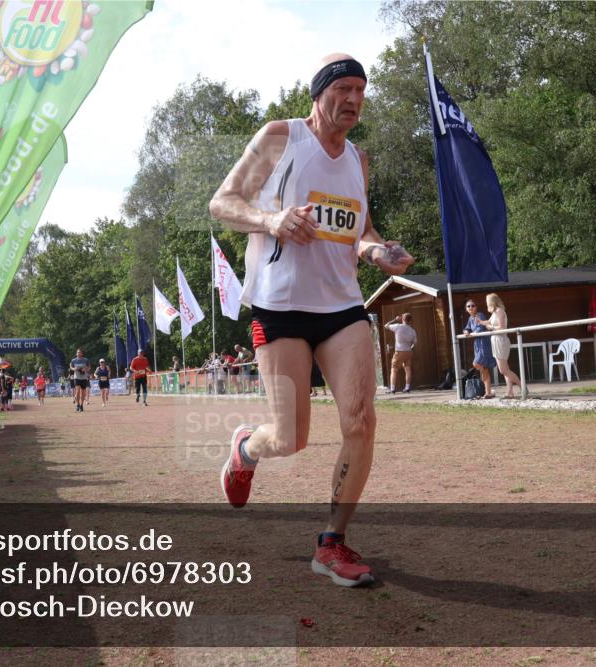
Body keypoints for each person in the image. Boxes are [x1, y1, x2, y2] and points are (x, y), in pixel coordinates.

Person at [209, 53, 414, 587]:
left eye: (361, 91)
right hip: (280, 308)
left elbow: (361, 231)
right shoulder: (281, 138)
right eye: (343, 88)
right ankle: (246, 448)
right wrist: (271, 219)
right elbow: (222, 202)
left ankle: (333, 541)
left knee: (361, 420)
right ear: (319, 93)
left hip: (342, 307)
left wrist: (377, 253)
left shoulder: (358, 160)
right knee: (290, 438)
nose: (353, 100)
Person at [479, 293, 521, 398]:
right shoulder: (495, 313)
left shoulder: (500, 311)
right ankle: (510, 392)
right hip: (496, 340)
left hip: (500, 340)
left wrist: (491, 327)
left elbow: (502, 327)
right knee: (505, 369)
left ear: (492, 302)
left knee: (503, 370)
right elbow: (488, 322)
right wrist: (480, 322)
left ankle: (523, 387)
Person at [462, 300, 496, 399]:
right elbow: (467, 328)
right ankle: (488, 392)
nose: (471, 307)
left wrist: (471, 333)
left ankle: (488, 390)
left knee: (476, 364)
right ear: (466, 309)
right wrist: (466, 331)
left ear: (476, 307)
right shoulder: (470, 318)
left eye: (473, 305)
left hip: (484, 344)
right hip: (477, 344)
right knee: (484, 369)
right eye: (468, 306)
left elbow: (480, 328)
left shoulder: (479, 315)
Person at [385, 313, 417, 393]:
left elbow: (386, 325)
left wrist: (395, 319)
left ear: (402, 319)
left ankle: (392, 389)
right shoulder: (412, 331)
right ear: (410, 320)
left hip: (399, 351)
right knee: (408, 369)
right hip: (408, 351)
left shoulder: (398, 326)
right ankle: (407, 388)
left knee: (394, 369)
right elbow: (415, 342)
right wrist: (410, 348)